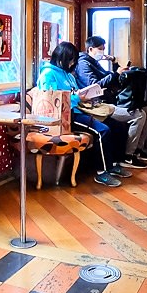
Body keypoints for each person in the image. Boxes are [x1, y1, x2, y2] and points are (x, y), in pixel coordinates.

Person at [37, 41, 130, 187]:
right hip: (65, 116)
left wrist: (89, 95)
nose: (72, 63)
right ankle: (102, 172)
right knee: (102, 131)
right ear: (61, 57)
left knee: (117, 126)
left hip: (80, 109)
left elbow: (76, 92)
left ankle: (113, 164)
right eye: (71, 59)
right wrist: (77, 97)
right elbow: (54, 101)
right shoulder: (48, 74)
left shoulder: (68, 75)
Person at [76, 36, 147, 168]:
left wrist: (116, 66)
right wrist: (115, 74)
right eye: (100, 49)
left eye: (103, 49)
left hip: (108, 100)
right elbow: (94, 86)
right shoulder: (84, 64)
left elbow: (106, 77)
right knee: (139, 115)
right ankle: (127, 156)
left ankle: (137, 150)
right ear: (90, 49)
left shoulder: (93, 62)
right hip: (96, 104)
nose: (102, 52)